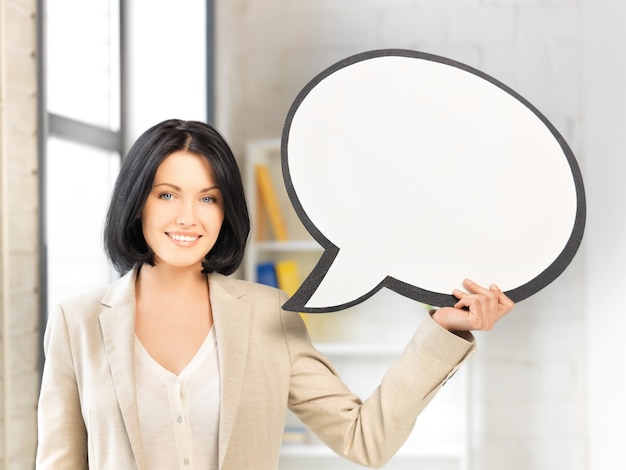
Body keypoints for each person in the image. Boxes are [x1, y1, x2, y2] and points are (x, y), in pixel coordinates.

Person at [36, 119, 514, 469]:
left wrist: (442, 329)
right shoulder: (77, 324)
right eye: (167, 194)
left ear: (225, 212)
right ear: (136, 202)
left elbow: (365, 439)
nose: (188, 217)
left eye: (208, 198)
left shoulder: (268, 316)